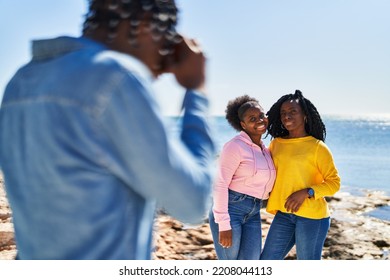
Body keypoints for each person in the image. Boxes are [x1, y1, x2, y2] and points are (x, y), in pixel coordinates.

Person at [0, 0, 215, 260]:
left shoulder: (21, 81)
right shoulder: (114, 78)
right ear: (145, 24)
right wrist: (197, 90)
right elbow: (192, 202)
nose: (163, 64)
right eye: (166, 44)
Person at [260, 89, 340, 260]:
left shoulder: (318, 147)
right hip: (284, 213)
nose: (286, 116)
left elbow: (334, 183)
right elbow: (262, 169)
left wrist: (307, 192)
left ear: (304, 115)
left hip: (312, 218)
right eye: (283, 113)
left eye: (292, 112)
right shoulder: (276, 144)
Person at [208, 95, 276, 260]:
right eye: (252, 118)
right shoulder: (234, 146)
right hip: (231, 210)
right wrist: (223, 224)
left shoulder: (266, 151)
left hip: (253, 213)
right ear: (242, 125)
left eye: (261, 116)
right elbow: (220, 184)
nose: (259, 120)